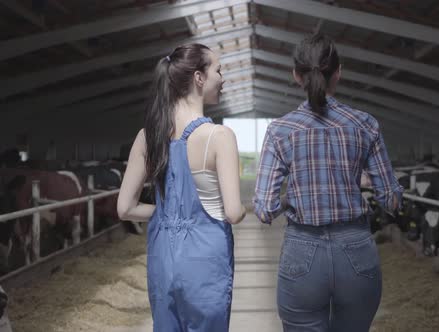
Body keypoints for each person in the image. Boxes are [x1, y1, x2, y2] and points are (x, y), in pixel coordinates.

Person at [253, 33, 403, 332]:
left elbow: (264, 209)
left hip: (302, 250)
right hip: (357, 248)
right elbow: (392, 201)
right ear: (338, 73)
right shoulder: (365, 124)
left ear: (297, 76)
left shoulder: (280, 130)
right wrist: (359, 181)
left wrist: (291, 198)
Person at [117, 43, 246, 332]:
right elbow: (234, 212)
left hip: (162, 259)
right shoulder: (219, 136)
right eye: (218, 70)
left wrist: (165, 212)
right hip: (205, 261)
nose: (222, 78)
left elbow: (125, 208)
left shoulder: (147, 136)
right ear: (199, 78)